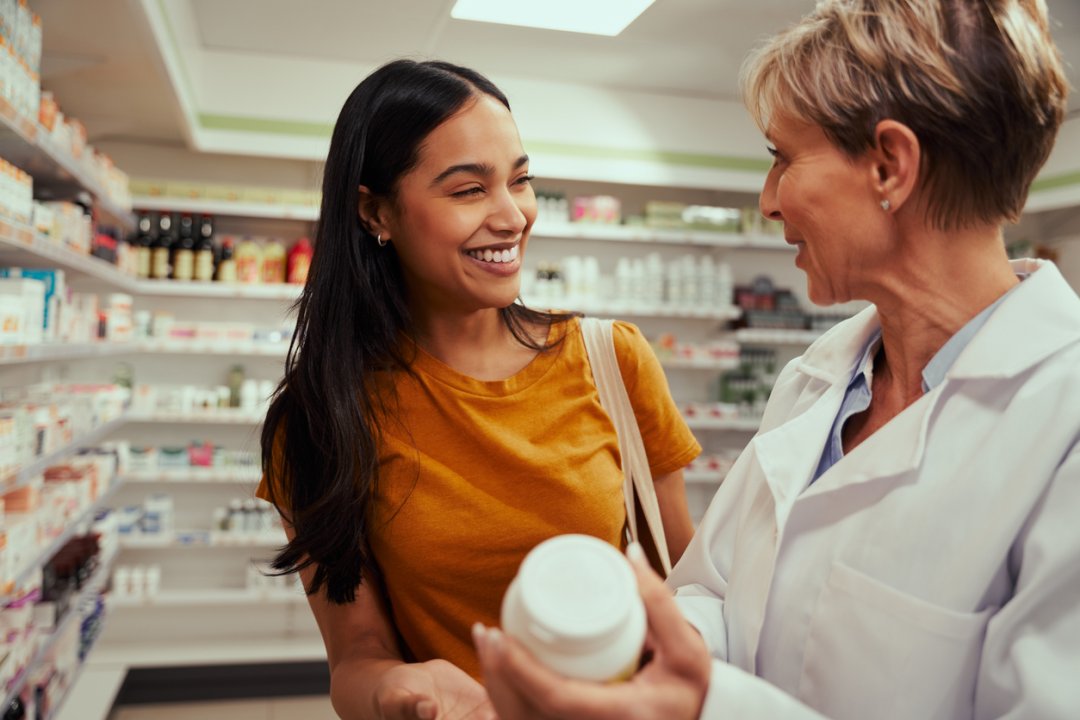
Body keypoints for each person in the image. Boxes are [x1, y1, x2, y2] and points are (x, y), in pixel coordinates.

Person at [476, 0, 1080, 717]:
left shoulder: (1062, 424)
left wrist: (705, 704)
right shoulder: (823, 377)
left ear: (890, 165)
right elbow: (716, 588)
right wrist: (646, 649)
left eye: (783, 158)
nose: (767, 200)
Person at [255, 59, 701, 720]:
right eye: (469, 190)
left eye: (520, 181)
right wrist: (395, 688)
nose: (513, 215)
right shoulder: (321, 419)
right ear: (375, 210)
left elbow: (685, 589)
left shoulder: (613, 361)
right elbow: (355, 655)